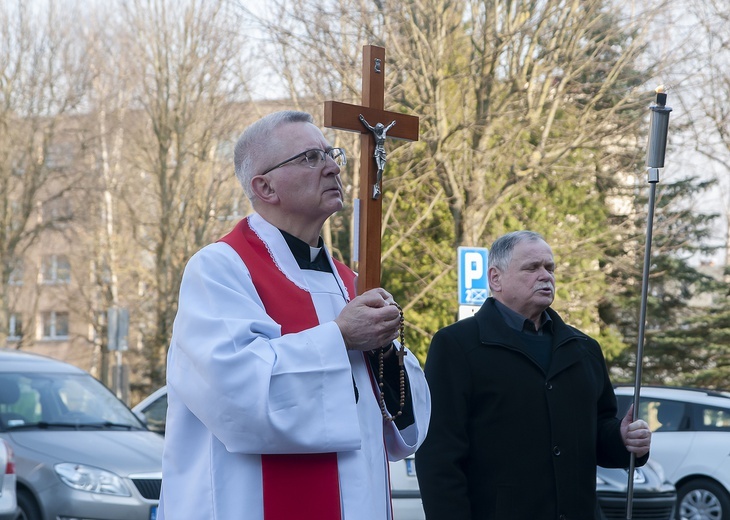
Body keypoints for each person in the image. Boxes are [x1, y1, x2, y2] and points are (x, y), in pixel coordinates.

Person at [158, 110, 431, 520]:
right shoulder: (219, 269)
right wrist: (340, 337)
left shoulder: (350, 282)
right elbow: (236, 392)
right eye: (309, 158)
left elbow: (398, 432)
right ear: (264, 186)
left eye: (330, 154)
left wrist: (386, 353)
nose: (332, 167)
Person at [415, 230, 651, 520]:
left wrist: (623, 439)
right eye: (531, 267)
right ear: (495, 278)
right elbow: (439, 455)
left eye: (549, 267)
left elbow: (598, 432)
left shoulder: (585, 349)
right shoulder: (457, 346)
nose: (545, 276)